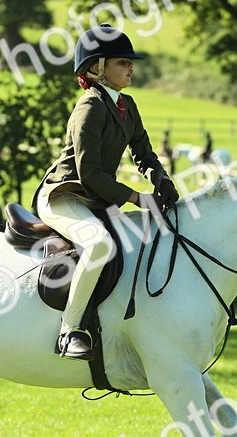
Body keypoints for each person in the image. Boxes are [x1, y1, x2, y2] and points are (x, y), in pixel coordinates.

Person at [34, 24, 178, 360]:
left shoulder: (126, 104)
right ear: (97, 67)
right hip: (65, 195)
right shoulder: (90, 106)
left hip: (95, 199)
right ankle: (69, 332)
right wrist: (136, 198)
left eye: (130, 62)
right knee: (99, 243)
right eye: (121, 62)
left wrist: (162, 179)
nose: (131, 67)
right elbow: (90, 174)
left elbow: (144, 154)